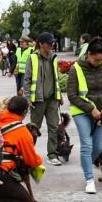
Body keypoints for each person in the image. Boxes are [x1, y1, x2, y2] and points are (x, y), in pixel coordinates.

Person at [67, 38, 102, 193]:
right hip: (81, 111)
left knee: (100, 146)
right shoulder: (76, 69)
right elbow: (72, 95)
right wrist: (90, 109)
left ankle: (85, 162)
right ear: (88, 54)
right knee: (86, 145)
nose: (99, 62)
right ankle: (89, 179)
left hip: (100, 112)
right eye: (96, 59)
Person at [0, 96, 43, 202]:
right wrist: (39, 160)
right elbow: (31, 161)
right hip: (0, 173)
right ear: (24, 112)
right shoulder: (22, 132)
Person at [23, 32, 64, 166]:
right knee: (34, 129)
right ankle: (28, 154)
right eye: (49, 43)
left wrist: (59, 96)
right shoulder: (33, 58)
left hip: (52, 99)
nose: (52, 45)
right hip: (38, 100)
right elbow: (27, 79)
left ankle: (52, 154)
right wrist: (28, 98)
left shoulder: (54, 57)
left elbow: (56, 78)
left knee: (54, 127)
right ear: (41, 44)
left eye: (53, 43)